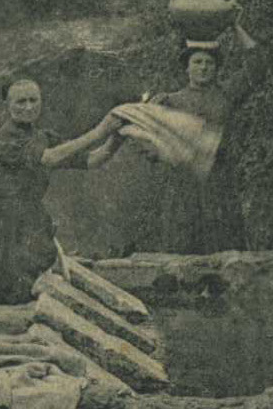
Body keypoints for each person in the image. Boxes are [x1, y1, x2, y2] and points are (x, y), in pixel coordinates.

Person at [95, 23, 258, 253]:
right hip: (182, 185)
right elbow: (139, 130)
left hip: (219, 182)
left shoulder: (226, 95)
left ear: (217, 68)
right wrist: (158, 151)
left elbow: (257, 65)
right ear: (187, 68)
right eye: (197, 62)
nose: (203, 68)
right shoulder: (169, 101)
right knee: (183, 249)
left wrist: (234, 26)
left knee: (225, 246)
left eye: (209, 63)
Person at [0, 77, 123, 310]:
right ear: (7, 106)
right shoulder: (3, 138)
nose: (28, 107)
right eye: (20, 102)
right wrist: (100, 130)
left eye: (33, 100)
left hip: (32, 221)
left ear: (41, 102)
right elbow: (49, 158)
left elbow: (91, 160)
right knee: (2, 294)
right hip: (5, 225)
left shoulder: (43, 137)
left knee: (34, 292)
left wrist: (117, 137)